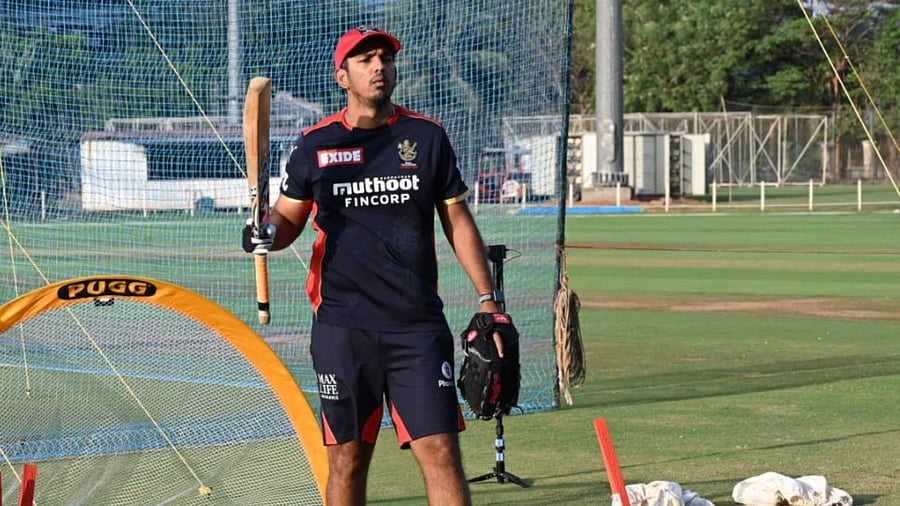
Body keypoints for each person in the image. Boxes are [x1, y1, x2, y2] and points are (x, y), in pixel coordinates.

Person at [243, 25, 509, 506]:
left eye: (385, 57)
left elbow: (457, 221)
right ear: (342, 76)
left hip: (417, 327)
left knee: (441, 451)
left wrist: (490, 301)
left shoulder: (425, 137)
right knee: (346, 457)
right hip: (344, 328)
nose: (379, 67)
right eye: (365, 60)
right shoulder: (314, 145)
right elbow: (286, 219)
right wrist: (266, 234)